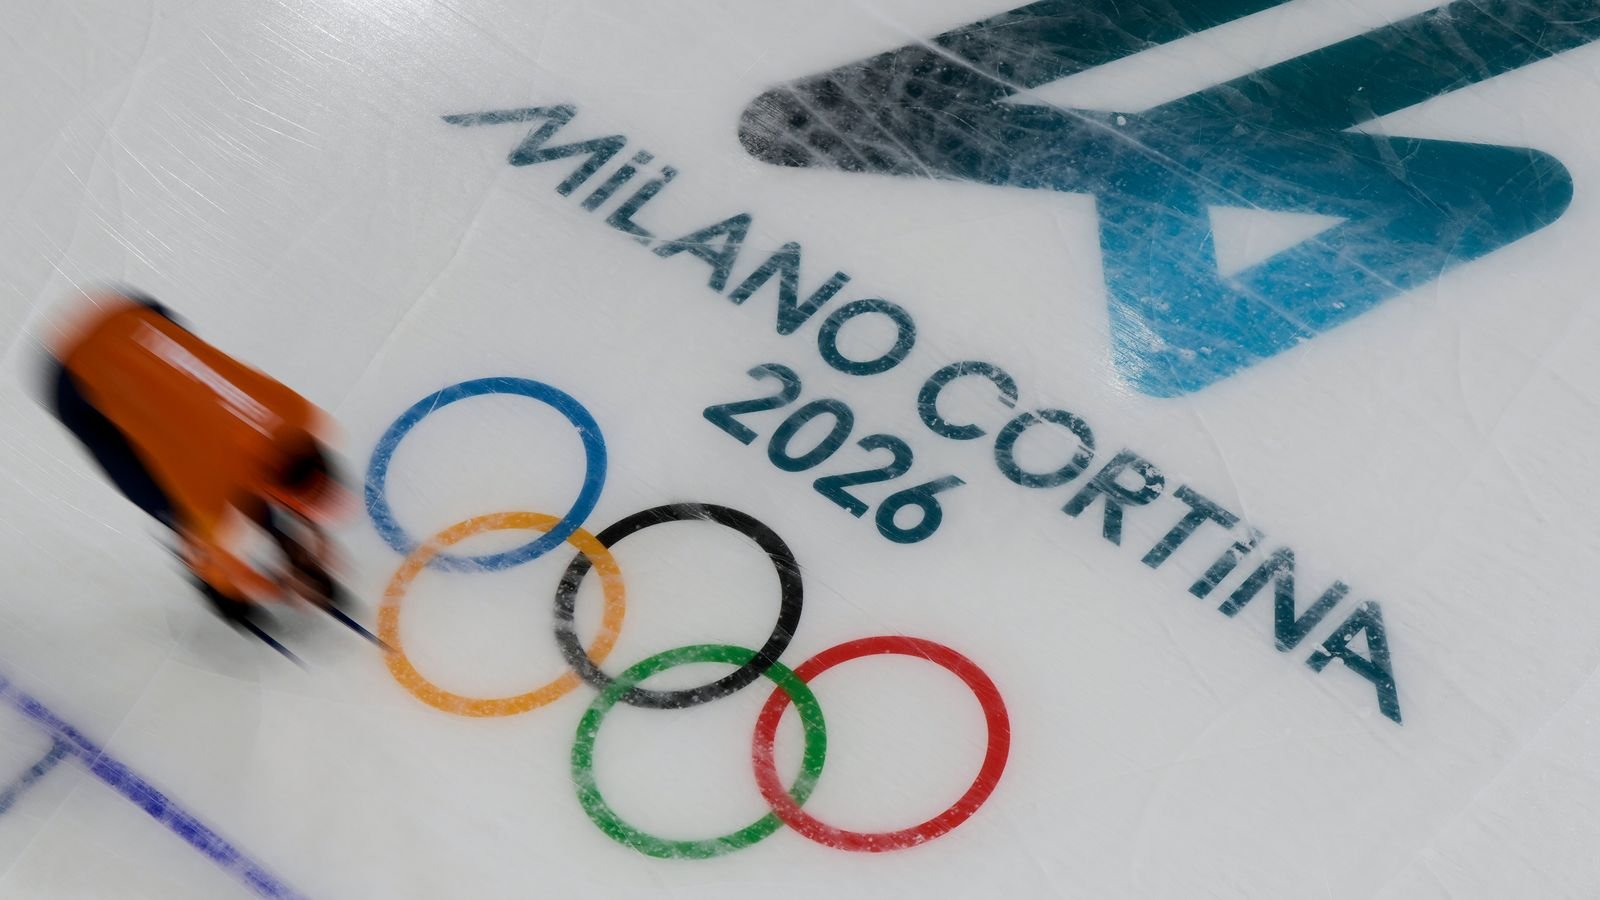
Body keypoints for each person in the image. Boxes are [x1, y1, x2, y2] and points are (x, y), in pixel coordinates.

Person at [44, 290, 346, 628]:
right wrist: (275, 589)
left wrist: (299, 541)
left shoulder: (295, 412)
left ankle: (279, 538)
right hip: (76, 376)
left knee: (205, 440)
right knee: (167, 502)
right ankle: (245, 580)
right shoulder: (206, 496)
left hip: (137, 316)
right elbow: (216, 563)